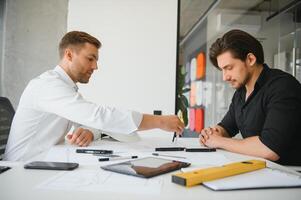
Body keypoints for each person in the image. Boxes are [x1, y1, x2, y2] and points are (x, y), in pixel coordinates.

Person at [4, 31, 184, 161]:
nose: (95, 67)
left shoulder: (65, 88)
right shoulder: (47, 86)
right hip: (21, 169)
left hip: (44, 161)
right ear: (69, 54)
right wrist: (160, 121)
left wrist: (90, 131)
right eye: (90, 59)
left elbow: (89, 121)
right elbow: (98, 115)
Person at [200, 29, 301, 166]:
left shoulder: (283, 87)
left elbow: (270, 149)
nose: (225, 77)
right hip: (262, 172)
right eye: (222, 70)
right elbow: (227, 127)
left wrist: (218, 141)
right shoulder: (240, 93)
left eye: (229, 68)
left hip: (291, 175)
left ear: (250, 59)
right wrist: (211, 133)